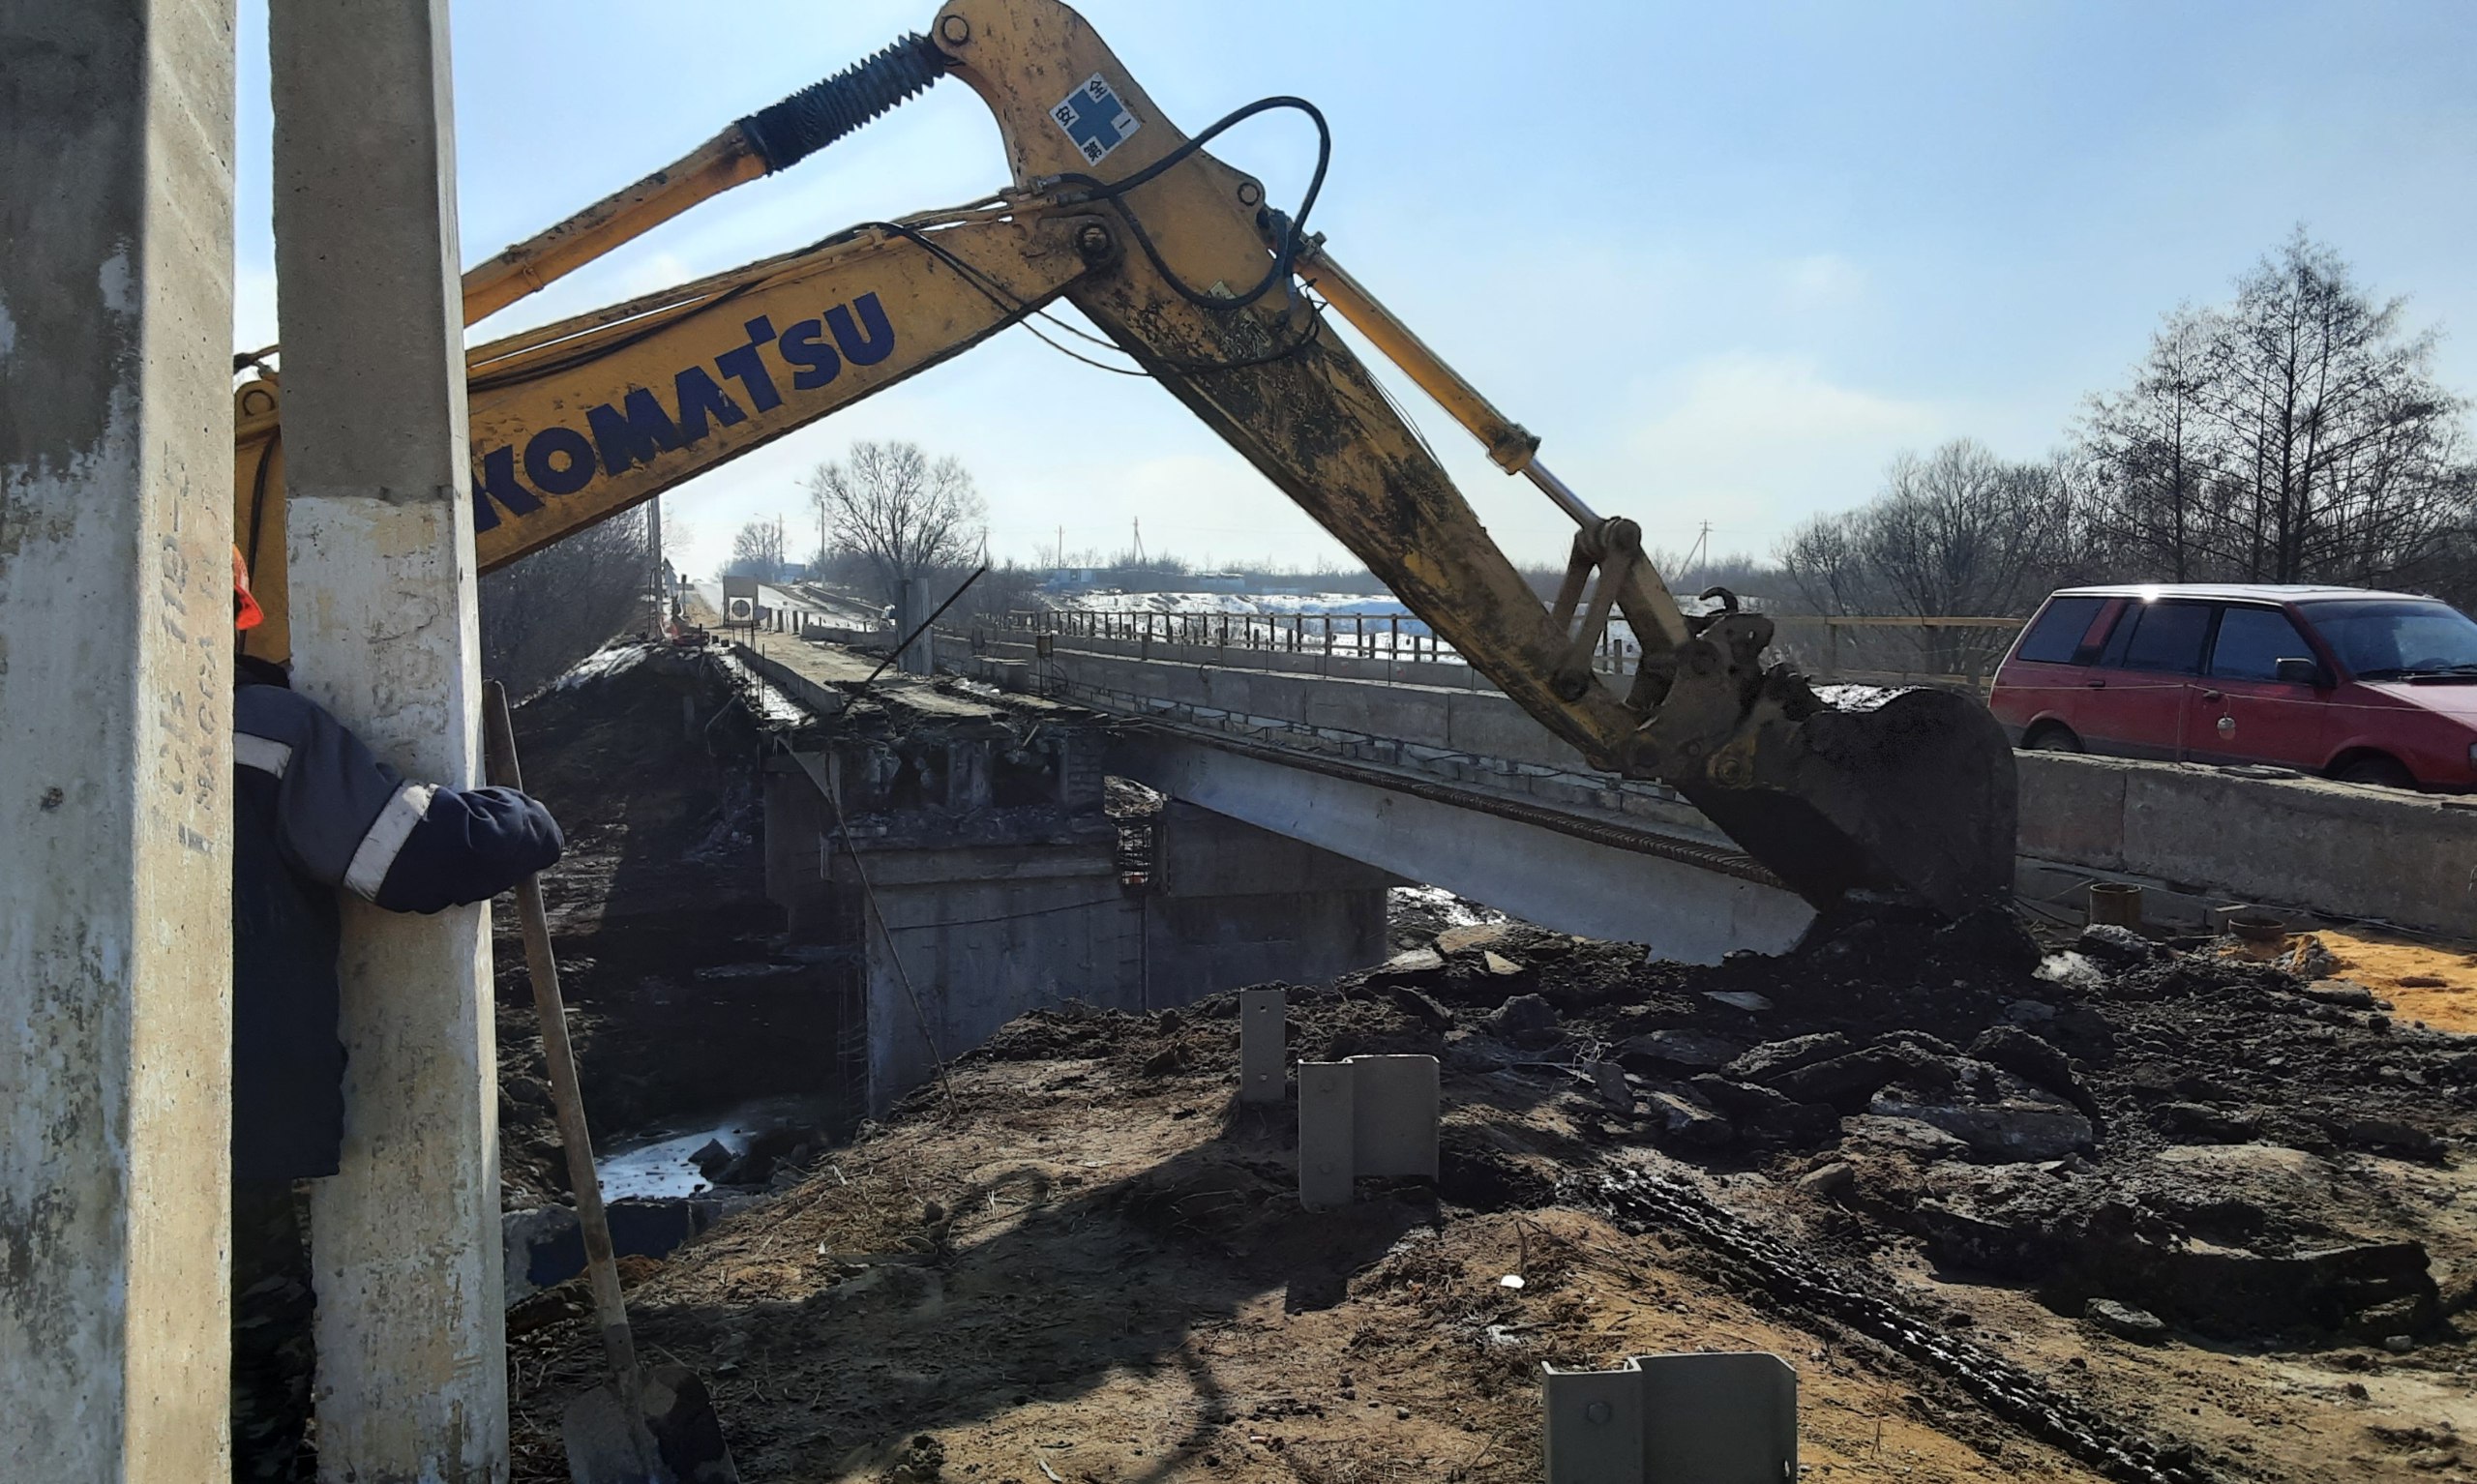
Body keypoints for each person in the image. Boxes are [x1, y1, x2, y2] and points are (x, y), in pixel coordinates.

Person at [228, 547, 564, 1481]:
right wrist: (524, 818)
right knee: (247, 1373)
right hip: (225, 1125)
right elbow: (414, 858)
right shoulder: (261, 730)